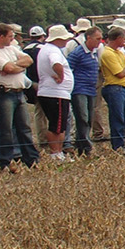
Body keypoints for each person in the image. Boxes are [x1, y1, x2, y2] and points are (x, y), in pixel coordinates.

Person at [0, 22, 40, 171]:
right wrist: (17, 67)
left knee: (24, 128)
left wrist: (15, 66)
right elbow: (8, 68)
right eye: (10, 36)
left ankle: (31, 159)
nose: (12, 39)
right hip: (4, 92)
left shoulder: (11, 48)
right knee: (5, 129)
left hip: (18, 92)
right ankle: (5, 161)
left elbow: (28, 60)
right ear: (1, 37)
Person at [35, 25, 75, 162]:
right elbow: (56, 63)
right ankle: (55, 153)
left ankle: (58, 152)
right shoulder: (53, 51)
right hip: (56, 93)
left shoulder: (46, 49)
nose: (66, 41)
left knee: (59, 125)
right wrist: (61, 77)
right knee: (57, 126)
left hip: (53, 93)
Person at [68, 25, 104, 155]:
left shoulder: (93, 53)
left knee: (89, 118)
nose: (100, 41)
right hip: (79, 89)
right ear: (88, 38)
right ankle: (86, 146)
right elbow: (68, 68)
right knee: (82, 117)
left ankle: (81, 144)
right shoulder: (77, 53)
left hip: (90, 89)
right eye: (97, 38)